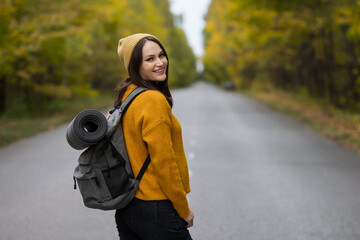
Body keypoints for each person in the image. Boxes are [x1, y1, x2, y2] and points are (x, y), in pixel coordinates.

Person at [113, 33, 194, 240]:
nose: (160, 63)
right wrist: (183, 209)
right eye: (150, 59)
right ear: (135, 66)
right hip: (156, 209)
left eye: (161, 55)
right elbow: (165, 165)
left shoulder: (127, 96)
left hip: (127, 209)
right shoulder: (153, 101)